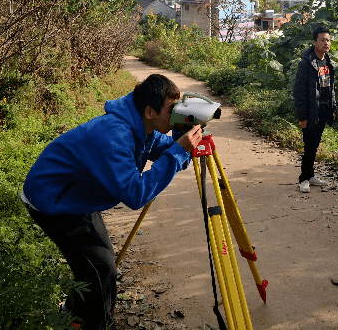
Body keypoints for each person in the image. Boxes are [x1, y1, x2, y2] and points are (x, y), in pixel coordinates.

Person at [22, 74, 203, 330]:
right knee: (101, 268)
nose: (178, 114)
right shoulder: (115, 137)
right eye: (172, 109)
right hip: (53, 201)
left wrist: (181, 146)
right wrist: (177, 153)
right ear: (150, 111)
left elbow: (159, 146)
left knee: (98, 267)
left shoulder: (140, 122)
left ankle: (73, 312)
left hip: (77, 196)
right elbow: (134, 194)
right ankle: (97, 324)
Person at [293, 24, 337, 193]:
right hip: (311, 111)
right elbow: (300, 91)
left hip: (323, 109)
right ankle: (303, 178)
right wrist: (302, 116)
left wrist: (333, 107)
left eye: (328, 40)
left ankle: (310, 175)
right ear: (314, 42)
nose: (326, 43)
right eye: (322, 40)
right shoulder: (306, 63)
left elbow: (330, 88)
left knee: (315, 144)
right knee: (309, 145)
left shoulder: (328, 61)